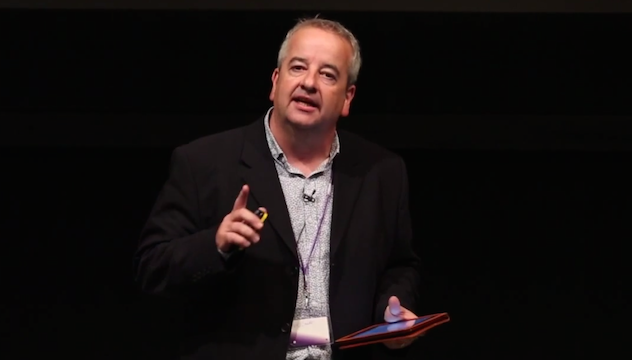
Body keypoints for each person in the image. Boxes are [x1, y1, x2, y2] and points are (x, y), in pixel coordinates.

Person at [134, 17, 421, 360]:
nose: (309, 83)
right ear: (275, 81)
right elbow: (152, 267)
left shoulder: (382, 172)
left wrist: (393, 312)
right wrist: (216, 245)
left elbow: (399, 264)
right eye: (298, 67)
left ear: (347, 97)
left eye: (328, 74)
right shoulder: (204, 162)